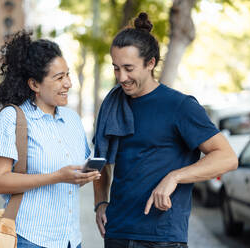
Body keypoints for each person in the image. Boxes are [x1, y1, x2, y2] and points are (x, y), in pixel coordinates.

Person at [93, 12, 238, 248]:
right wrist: (100, 203)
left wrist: (175, 176)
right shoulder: (112, 104)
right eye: (116, 68)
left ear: (150, 63)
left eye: (129, 68)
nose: (121, 77)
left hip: (162, 237)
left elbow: (227, 158)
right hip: (116, 232)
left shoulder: (180, 106)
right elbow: (100, 158)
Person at [0, 30, 100, 248]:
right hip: (30, 237)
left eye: (68, 75)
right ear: (34, 85)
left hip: (70, 239)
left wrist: (82, 176)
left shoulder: (72, 119)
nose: (68, 83)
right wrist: (57, 176)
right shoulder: (11, 118)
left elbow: (72, 173)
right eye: (59, 78)